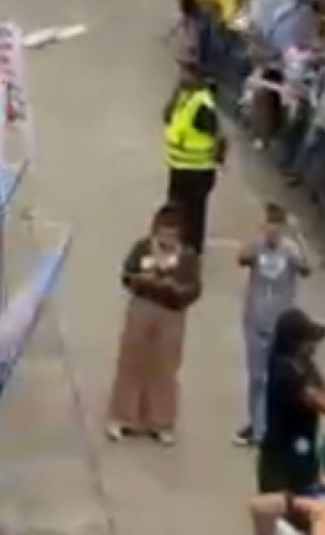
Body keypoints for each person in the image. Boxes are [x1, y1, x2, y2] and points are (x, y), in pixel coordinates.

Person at [250, 307, 325, 528]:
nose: (313, 345)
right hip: (281, 466)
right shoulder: (287, 374)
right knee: (282, 524)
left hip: (303, 461)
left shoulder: (303, 364)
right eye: (307, 340)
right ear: (295, 342)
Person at [106, 204, 201, 444]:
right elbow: (127, 275)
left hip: (171, 312)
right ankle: (124, 417)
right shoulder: (142, 248)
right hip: (142, 307)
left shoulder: (187, 257)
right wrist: (143, 280)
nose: (166, 239)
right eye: (163, 234)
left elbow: (194, 289)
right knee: (132, 361)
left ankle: (161, 422)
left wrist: (175, 289)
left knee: (165, 366)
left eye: (171, 235)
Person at [237, 202, 311, 447]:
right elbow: (242, 257)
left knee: (278, 378)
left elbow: (307, 268)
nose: (272, 230)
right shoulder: (257, 246)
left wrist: (298, 237)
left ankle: (274, 425)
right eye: (269, 223)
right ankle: (256, 426)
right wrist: (256, 234)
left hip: (281, 324)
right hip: (255, 318)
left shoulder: (290, 249)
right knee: (257, 376)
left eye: (277, 225)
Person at [162, 54, 224, 254]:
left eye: (186, 72)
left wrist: (216, 161)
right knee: (176, 210)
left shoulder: (203, 105)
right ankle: (176, 243)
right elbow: (166, 116)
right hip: (179, 167)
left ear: (198, 77)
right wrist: (176, 92)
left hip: (197, 170)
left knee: (194, 214)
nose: (181, 75)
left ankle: (192, 251)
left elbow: (219, 135)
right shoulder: (184, 96)